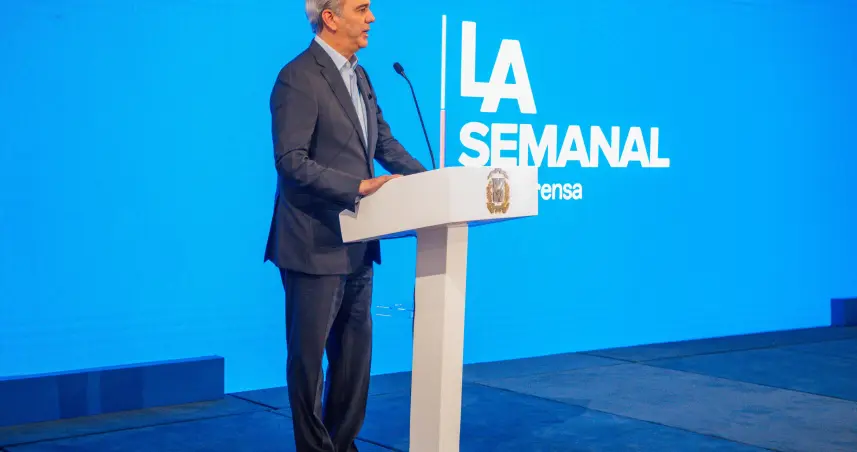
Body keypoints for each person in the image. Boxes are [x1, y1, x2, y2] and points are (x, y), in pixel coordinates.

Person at [263, 0, 428, 450]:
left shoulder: (361, 75)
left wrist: (433, 183)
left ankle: (342, 444)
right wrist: (356, 186)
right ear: (330, 17)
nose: (371, 18)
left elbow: (385, 144)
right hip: (312, 243)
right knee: (308, 362)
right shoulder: (297, 76)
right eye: (362, 8)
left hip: (359, 243)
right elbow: (291, 162)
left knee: (354, 360)